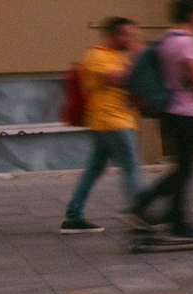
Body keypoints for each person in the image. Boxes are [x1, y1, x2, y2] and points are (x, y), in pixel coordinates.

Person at [131, 0, 193, 238]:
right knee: (186, 169)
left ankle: (175, 216)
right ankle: (145, 204)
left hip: (170, 112)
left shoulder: (167, 39)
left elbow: (179, 70)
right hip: (187, 113)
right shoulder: (188, 42)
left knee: (183, 167)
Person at [60, 16, 145, 233]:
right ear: (114, 35)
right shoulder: (96, 55)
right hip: (111, 122)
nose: (130, 39)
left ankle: (73, 217)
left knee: (94, 170)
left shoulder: (115, 56)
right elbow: (117, 78)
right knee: (131, 168)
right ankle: (141, 215)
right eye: (127, 35)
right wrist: (141, 57)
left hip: (113, 122)